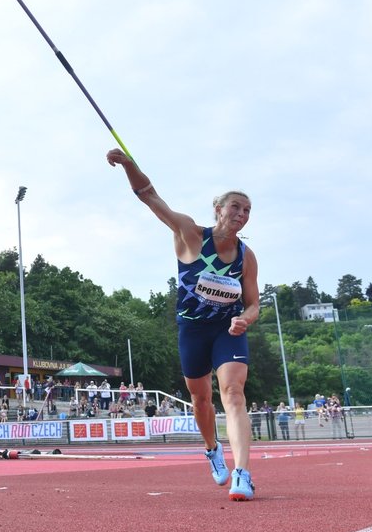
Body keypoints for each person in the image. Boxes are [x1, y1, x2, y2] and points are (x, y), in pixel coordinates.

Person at [107, 148, 259, 501]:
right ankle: (212, 449)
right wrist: (129, 164)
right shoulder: (191, 233)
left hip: (226, 330)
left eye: (247, 210)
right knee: (200, 398)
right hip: (192, 329)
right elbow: (149, 196)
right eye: (235, 206)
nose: (241, 214)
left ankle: (243, 473)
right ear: (218, 209)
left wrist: (244, 318)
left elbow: (254, 303)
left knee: (233, 393)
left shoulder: (246, 257)